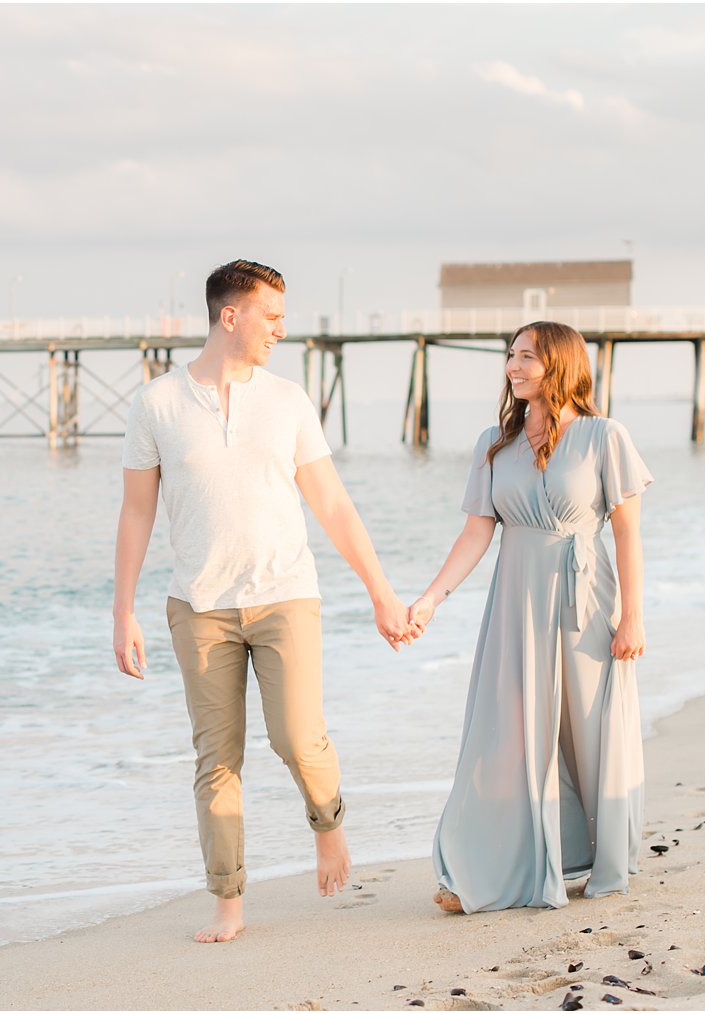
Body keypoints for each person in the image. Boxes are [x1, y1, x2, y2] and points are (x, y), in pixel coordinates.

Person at [112, 259, 420, 943]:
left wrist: (381, 593)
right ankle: (228, 900)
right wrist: (124, 610)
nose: (281, 328)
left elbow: (332, 503)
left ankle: (328, 824)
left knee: (296, 736)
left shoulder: (287, 402)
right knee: (216, 759)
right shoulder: (156, 404)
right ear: (231, 316)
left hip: (286, 596)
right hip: (198, 606)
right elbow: (136, 513)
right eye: (271, 316)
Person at [409, 320, 652, 914]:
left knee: (587, 734)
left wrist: (633, 617)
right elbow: (475, 534)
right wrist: (431, 597)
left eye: (527, 358)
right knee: (507, 732)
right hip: (515, 604)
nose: (514, 367)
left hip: (587, 601)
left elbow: (628, 535)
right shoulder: (494, 441)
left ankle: (596, 857)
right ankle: (484, 865)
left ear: (560, 364)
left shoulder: (604, 436)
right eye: (511, 356)